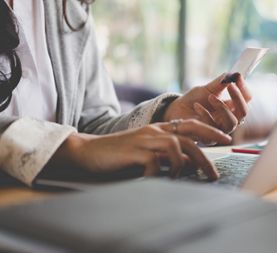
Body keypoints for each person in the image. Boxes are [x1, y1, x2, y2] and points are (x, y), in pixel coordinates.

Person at [0, 0, 251, 186]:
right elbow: (85, 145)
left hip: (58, 217)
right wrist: (75, 148)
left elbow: (93, 125)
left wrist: (166, 117)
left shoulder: (69, 8)